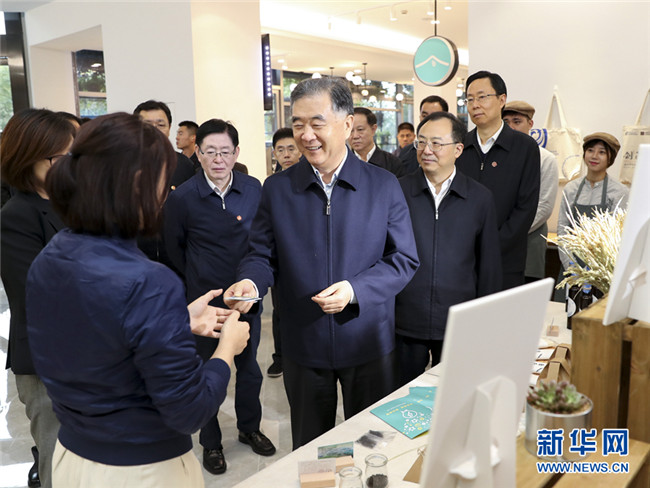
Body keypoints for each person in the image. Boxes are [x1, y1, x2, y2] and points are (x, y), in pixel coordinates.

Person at [25, 112, 250, 488]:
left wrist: (175, 319)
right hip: (140, 470)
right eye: (164, 183)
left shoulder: (52, 255)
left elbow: (100, 339)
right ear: (140, 185)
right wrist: (227, 350)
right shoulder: (149, 281)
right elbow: (189, 411)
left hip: (71, 458)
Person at [225, 77, 419, 449]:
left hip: (368, 340)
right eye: (298, 124)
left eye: (317, 123)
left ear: (347, 124)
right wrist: (250, 282)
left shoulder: (383, 185)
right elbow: (261, 254)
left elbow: (403, 259)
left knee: (373, 446)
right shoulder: (278, 188)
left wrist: (354, 290)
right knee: (312, 452)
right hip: (304, 344)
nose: (306, 135)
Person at [164, 118, 275, 475]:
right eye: (210, 151)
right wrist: (195, 288)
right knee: (206, 371)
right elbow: (174, 250)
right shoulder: (183, 197)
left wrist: (250, 287)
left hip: (245, 298)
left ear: (236, 153)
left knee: (249, 370)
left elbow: (262, 241)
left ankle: (249, 428)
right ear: (197, 153)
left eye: (225, 152)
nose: (218, 159)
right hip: (204, 304)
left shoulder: (253, 188)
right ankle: (210, 443)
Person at [396, 112, 502, 385]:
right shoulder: (397, 192)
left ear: (458, 149)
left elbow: (489, 267)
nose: (426, 150)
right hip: (405, 322)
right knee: (400, 399)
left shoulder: (479, 198)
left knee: (455, 396)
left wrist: (486, 322)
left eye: (436, 143)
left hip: (458, 322)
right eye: (421, 142)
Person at [1, 109, 76, 488]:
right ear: (31, 157)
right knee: (57, 463)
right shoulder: (16, 215)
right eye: (61, 157)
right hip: (47, 363)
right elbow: (39, 297)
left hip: (83, 353)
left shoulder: (70, 204)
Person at [456, 71, 540, 290]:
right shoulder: (459, 146)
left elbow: (526, 209)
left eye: (482, 97)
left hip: (505, 261)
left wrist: (490, 247)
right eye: (470, 99)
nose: (475, 105)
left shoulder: (525, 147)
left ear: (502, 99)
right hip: (461, 260)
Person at [133, 100, 195, 276]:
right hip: (135, 257)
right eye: (147, 125)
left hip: (177, 260)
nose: (154, 130)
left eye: (160, 125)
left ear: (169, 129)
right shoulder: (124, 164)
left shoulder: (184, 165)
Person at [503, 101, 559, 282]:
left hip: (530, 238)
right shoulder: (497, 156)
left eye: (517, 121)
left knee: (526, 290)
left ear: (530, 124)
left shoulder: (545, 159)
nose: (511, 127)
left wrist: (512, 232)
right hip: (498, 239)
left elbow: (544, 206)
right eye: (506, 122)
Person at [557, 132, 629, 272]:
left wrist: (599, 270)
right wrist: (571, 265)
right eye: (590, 150)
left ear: (610, 158)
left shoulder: (619, 192)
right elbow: (562, 230)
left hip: (604, 267)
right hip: (571, 264)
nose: (594, 156)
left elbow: (618, 236)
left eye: (602, 152)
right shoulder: (571, 188)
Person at [267, 127, 303, 377]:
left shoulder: (309, 180)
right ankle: (280, 357)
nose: (286, 154)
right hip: (280, 258)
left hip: (305, 257)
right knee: (280, 311)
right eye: (281, 150)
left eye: (291, 148)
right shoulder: (271, 185)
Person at [399, 95, 450, 175]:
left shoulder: (454, 152)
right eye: (424, 116)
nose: (428, 120)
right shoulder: (406, 153)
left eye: (434, 116)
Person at [349, 107, 402, 176]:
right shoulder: (340, 164)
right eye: (350, 131)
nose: (355, 136)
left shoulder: (392, 163)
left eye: (360, 129)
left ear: (373, 129)